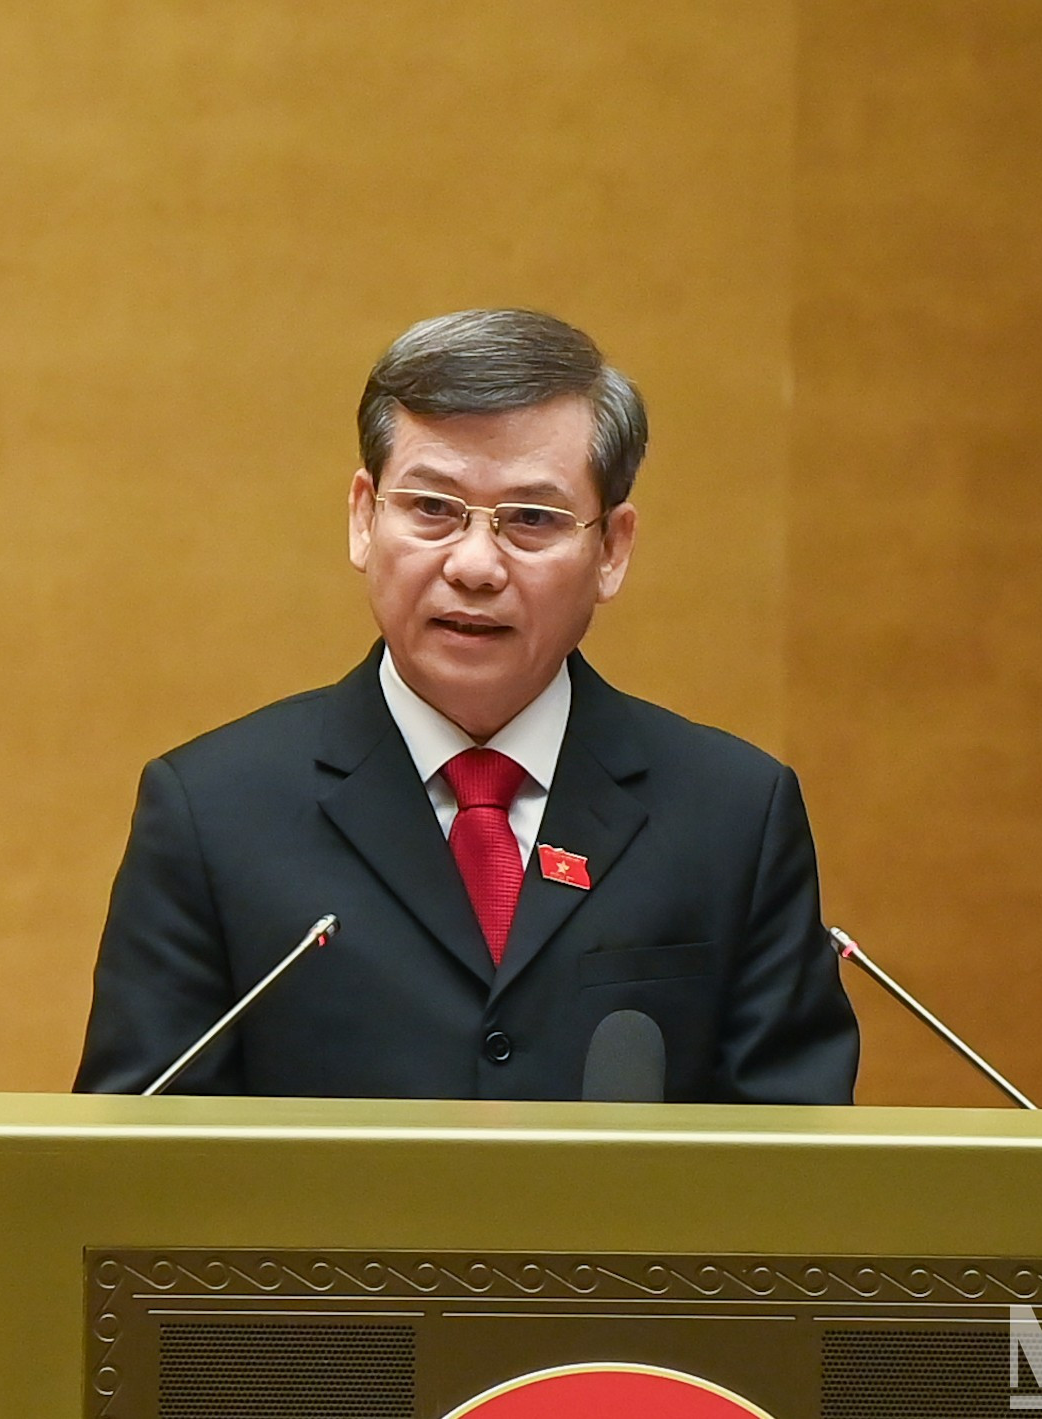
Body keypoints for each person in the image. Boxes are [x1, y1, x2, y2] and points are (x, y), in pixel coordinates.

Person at [74, 309, 858, 1102]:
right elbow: (131, 1174)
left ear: (612, 549)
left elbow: (798, 1182)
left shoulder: (731, 815)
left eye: (532, 519)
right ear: (363, 517)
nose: (476, 565)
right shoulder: (212, 812)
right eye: (432, 508)